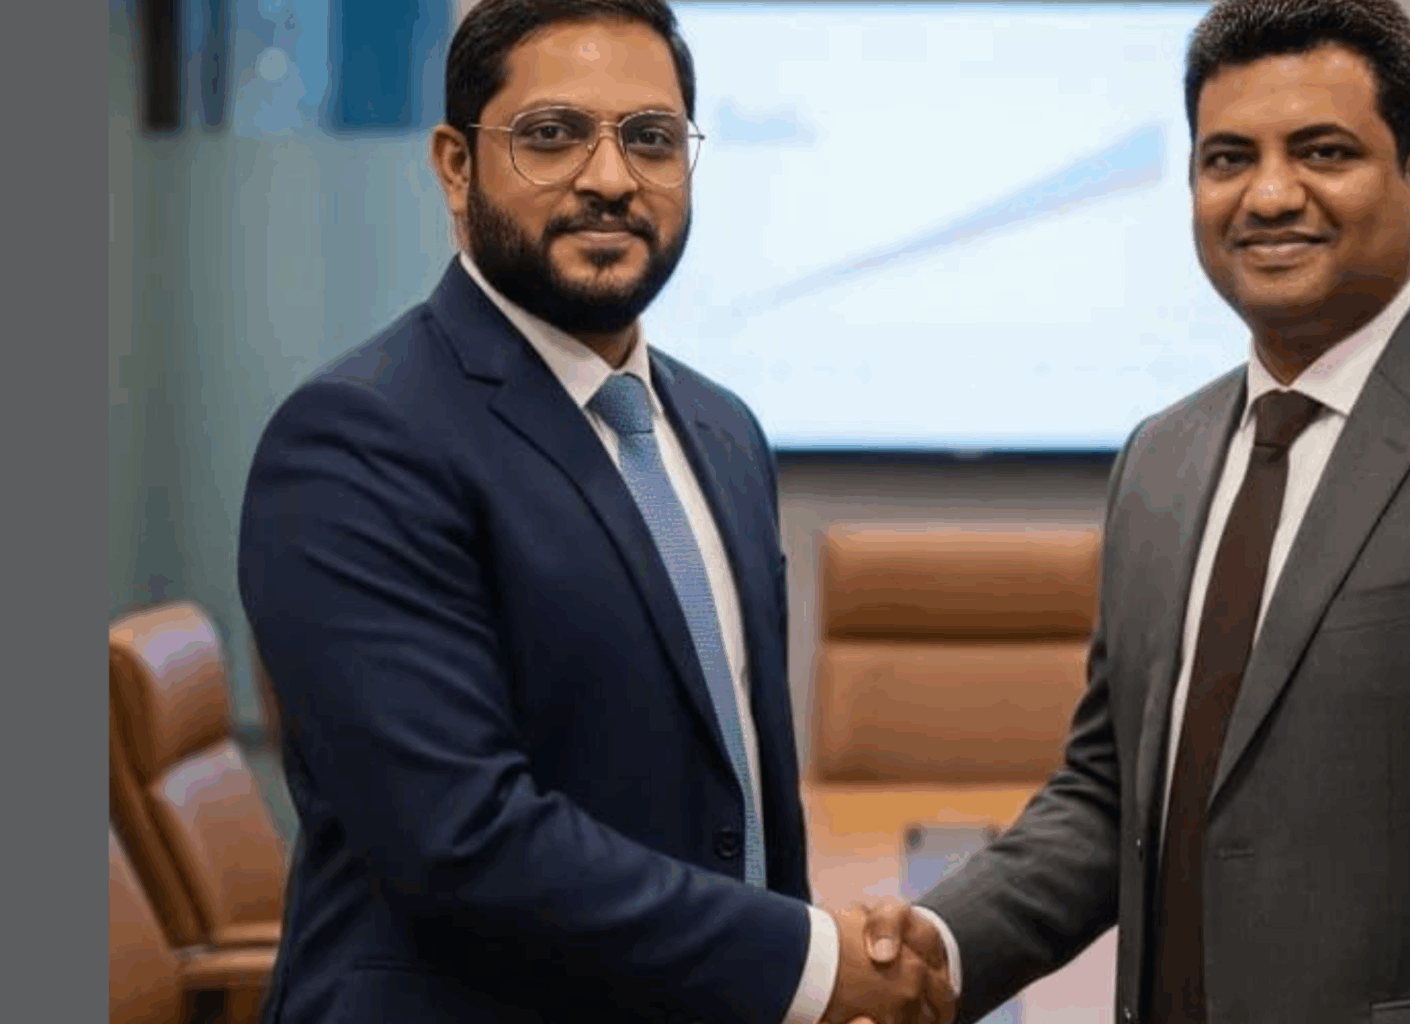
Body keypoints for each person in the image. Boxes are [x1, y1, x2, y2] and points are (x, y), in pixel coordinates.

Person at [860, 1, 1410, 1021]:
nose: (1268, 194)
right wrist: (942, 942)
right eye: (1227, 158)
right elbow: (1110, 796)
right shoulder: (1160, 460)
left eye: (1323, 151)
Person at [238, 2, 950, 1022]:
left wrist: (802, 972)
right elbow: (459, 836)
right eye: (552, 134)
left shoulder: (721, 431)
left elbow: (739, 804)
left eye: (651, 138)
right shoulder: (359, 439)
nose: (611, 178)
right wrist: (810, 962)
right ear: (455, 165)